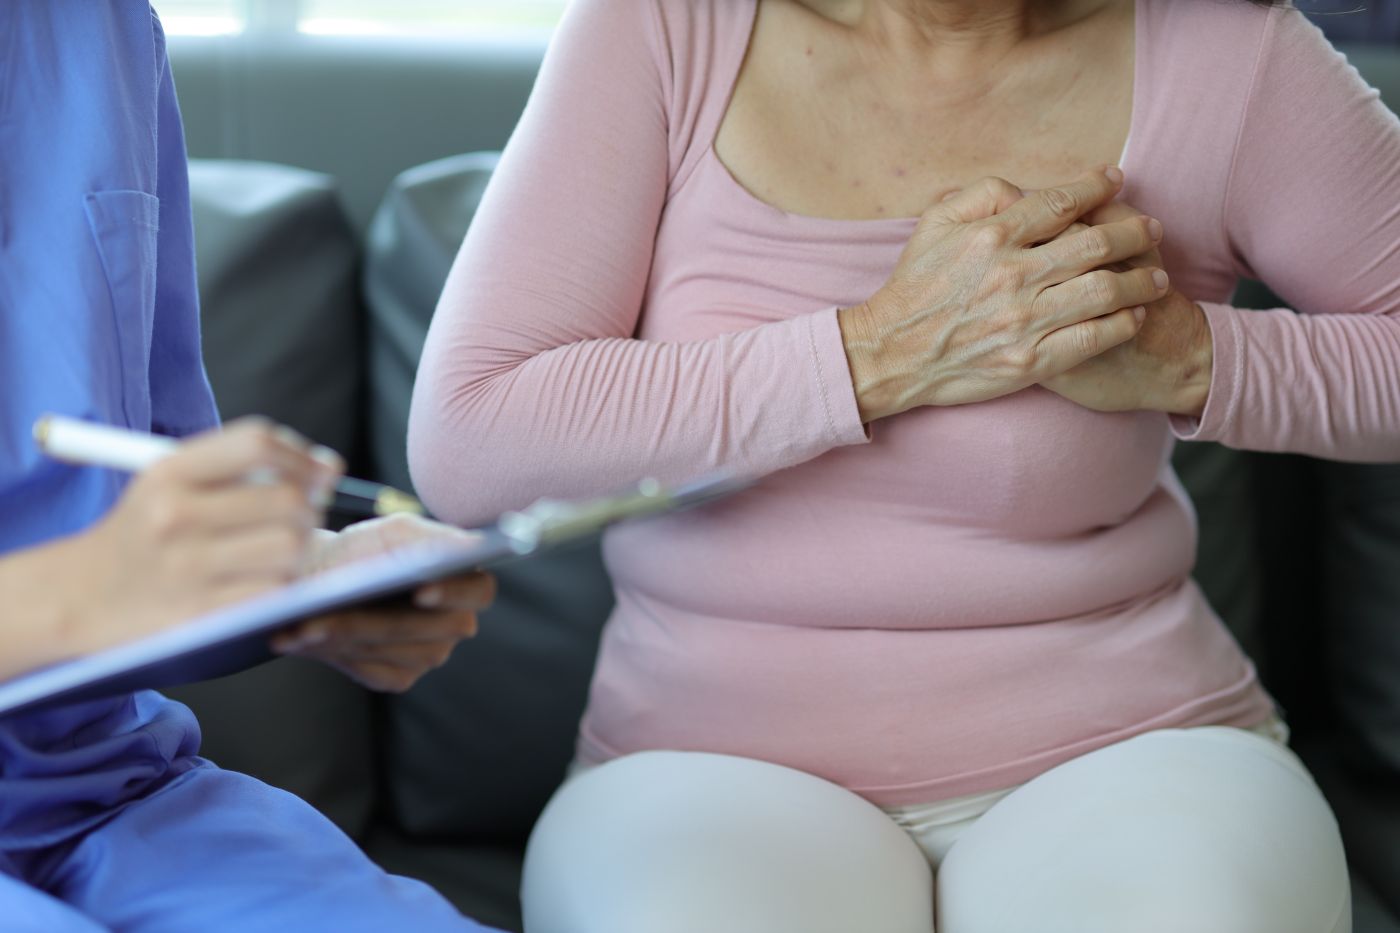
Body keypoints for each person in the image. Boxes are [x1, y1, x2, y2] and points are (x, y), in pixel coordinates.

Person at [409, 0, 1400, 929]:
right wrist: (879, 349)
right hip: (700, 759)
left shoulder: (1227, 54)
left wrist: (1194, 359)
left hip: (1136, 744)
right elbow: (471, 436)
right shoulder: (664, 28)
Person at [0, 2, 500, 929]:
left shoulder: (104, 29)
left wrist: (301, 587)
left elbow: (143, 537)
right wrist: (73, 593)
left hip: (111, 802)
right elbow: (96, 579)